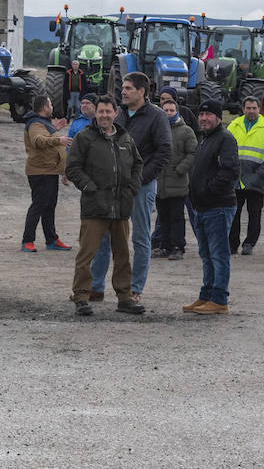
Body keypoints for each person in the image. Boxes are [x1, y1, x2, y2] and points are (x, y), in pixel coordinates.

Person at [90, 72, 171, 302]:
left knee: (140, 238)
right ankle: (96, 287)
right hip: (112, 187)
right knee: (104, 236)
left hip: (141, 187)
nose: (123, 92)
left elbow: (164, 152)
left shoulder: (156, 117)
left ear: (142, 91)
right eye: (123, 88)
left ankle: (134, 289)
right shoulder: (119, 114)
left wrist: (140, 179)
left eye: (128, 88)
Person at [64, 94, 144, 316]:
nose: (105, 115)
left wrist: (132, 189)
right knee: (87, 255)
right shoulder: (84, 137)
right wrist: (89, 187)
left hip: (120, 208)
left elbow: (138, 164)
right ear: (95, 114)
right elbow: (72, 168)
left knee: (123, 256)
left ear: (116, 113)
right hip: (95, 208)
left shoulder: (125, 138)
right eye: (101, 111)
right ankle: (81, 297)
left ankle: (124, 298)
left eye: (109, 111)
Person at [184, 100, 239, 314]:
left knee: (218, 254)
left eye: (208, 115)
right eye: (201, 114)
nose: (204, 118)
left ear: (218, 117)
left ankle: (219, 299)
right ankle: (206, 295)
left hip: (218, 206)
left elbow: (230, 171)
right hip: (202, 207)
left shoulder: (225, 139)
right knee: (206, 254)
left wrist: (208, 191)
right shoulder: (205, 139)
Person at [227, 95, 264, 256]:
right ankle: (232, 244)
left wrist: (260, 174)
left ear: (259, 109)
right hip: (236, 179)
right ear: (243, 109)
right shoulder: (233, 125)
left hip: (257, 180)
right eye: (248, 108)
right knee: (233, 214)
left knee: (255, 214)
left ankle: (249, 243)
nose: (251, 111)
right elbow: (225, 150)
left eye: (254, 108)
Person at [21, 95, 72, 253]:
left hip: (50, 171)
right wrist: (59, 140)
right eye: (50, 104)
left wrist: (55, 129)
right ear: (44, 107)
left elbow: (45, 136)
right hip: (40, 171)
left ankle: (52, 240)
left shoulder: (43, 123)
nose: (52, 107)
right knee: (39, 205)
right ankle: (27, 240)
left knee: (49, 206)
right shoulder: (35, 123)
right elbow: (38, 140)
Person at [154, 99, 196, 260]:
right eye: (166, 110)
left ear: (177, 111)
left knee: (177, 217)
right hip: (161, 183)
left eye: (171, 110)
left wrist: (180, 169)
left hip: (178, 183)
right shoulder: (157, 130)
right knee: (163, 217)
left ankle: (178, 246)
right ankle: (164, 246)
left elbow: (192, 153)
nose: (169, 113)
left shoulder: (186, 131)